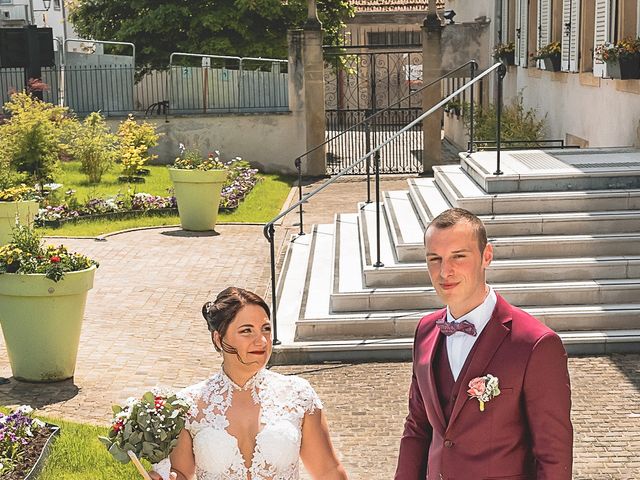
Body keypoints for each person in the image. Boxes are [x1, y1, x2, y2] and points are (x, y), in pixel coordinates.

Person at [395, 208, 573, 480]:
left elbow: (552, 453)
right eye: (435, 259)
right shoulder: (425, 331)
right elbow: (418, 427)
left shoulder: (536, 344)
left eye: (459, 256)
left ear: (486, 256)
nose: (445, 271)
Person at [150, 287, 348, 480]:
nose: (261, 340)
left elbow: (327, 471)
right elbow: (182, 473)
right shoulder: (187, 405)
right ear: (218, 339)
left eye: (266, 329)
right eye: (247, 331)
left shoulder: (298, 395)